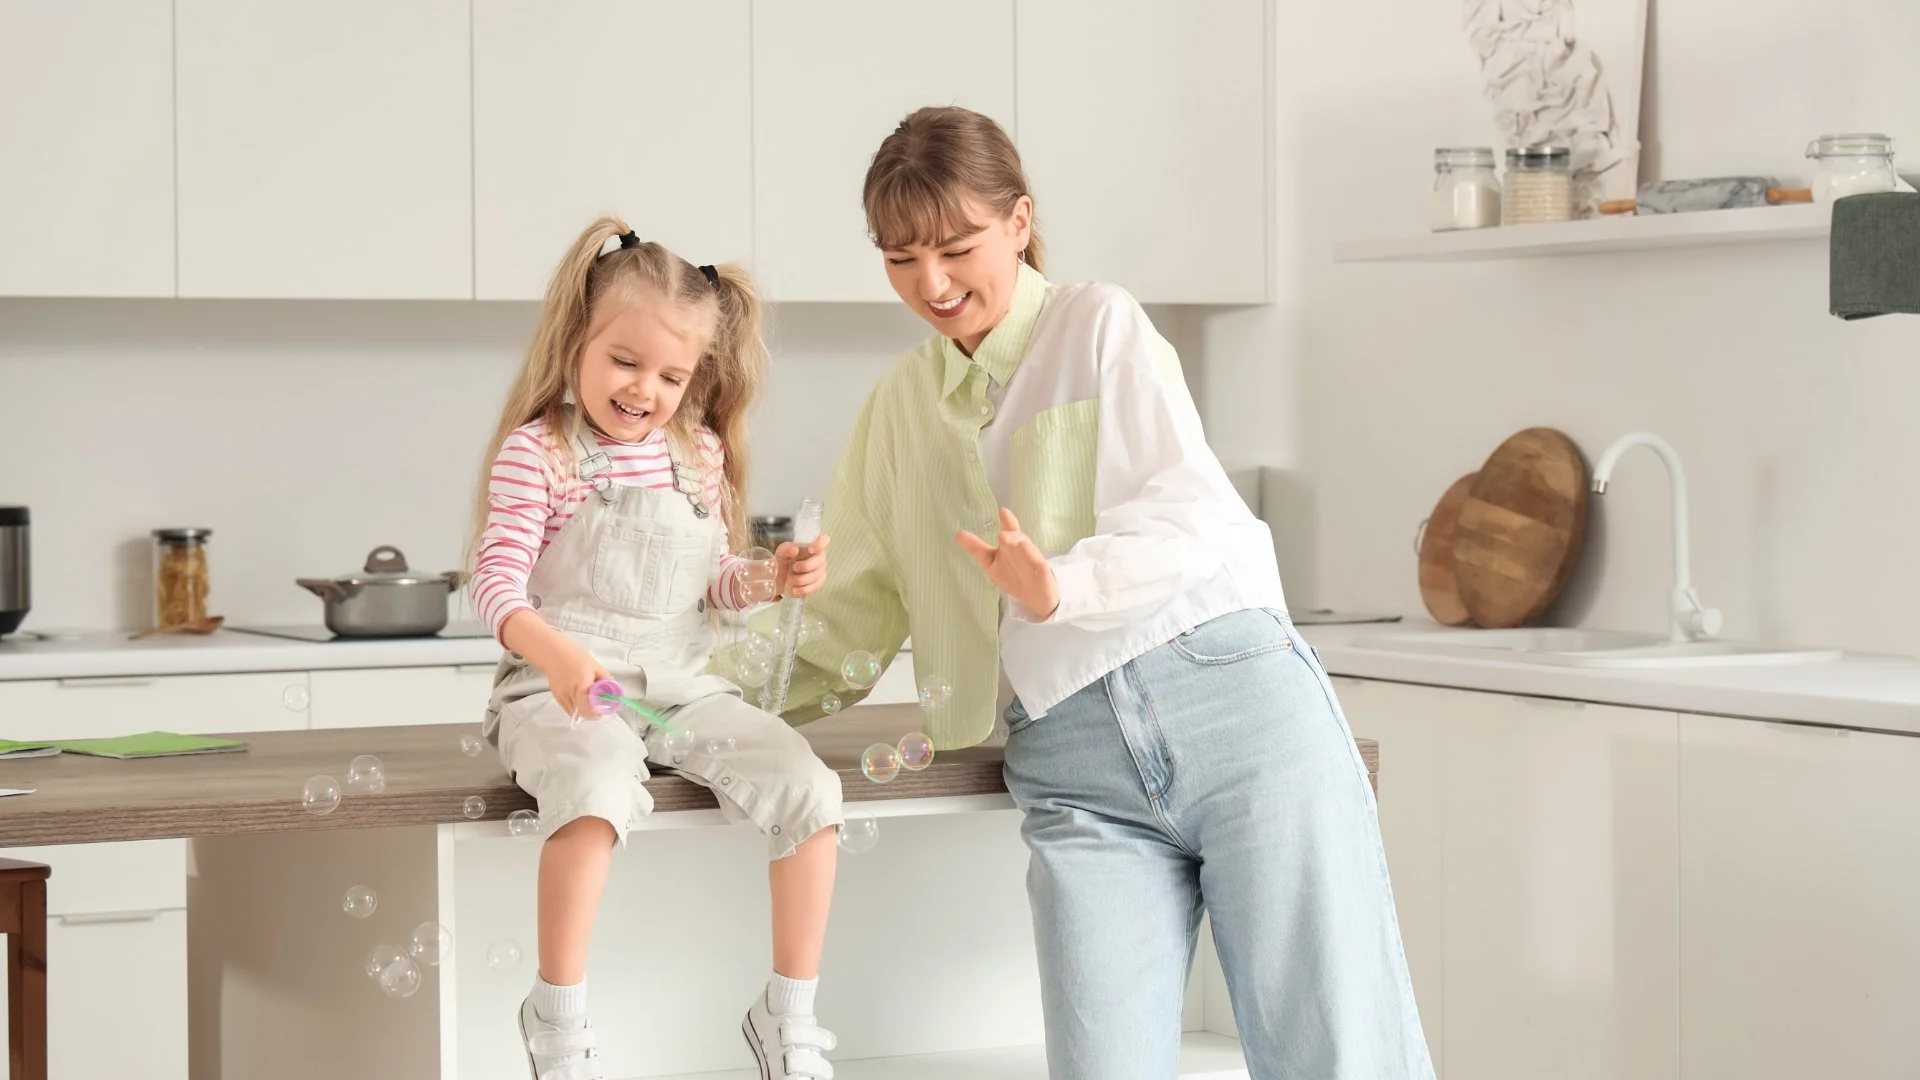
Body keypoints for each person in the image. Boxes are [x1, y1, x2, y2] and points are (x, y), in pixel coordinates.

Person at [775, 108, 1436, 1080]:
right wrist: (682, 701)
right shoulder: (898, 408)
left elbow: (1183, 515)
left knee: (1336, 1058)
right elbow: (849, 612)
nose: (934, 284)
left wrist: (1059, 584)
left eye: (957, 248)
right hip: (1073, 763)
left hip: (1232, 705)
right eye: (901, 259)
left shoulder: (1098, 327)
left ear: (1020, 220)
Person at [469, 216, 843, 1080]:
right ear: (577, 342)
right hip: (557, 686)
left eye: (672, 375)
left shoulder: (698, 453)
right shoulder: (541, 453)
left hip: (678, 682)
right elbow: (494, 585)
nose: (645, 390)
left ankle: (787, 1017)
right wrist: (558, 657)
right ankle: (556, 1020)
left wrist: (766, 578)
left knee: (810, 791)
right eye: (625, 362)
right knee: (596, 787)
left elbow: (710, 584)